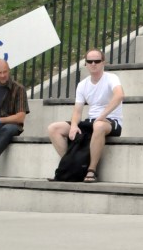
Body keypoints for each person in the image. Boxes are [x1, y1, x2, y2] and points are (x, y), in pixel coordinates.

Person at [47, 49, 124, 184]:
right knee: (54, 128)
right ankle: (71, 165)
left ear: (103, 62)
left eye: (97, 61)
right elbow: (77, 111)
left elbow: (119, 95)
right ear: (86, 64)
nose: (93, 64)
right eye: (90, 61)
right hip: (91, 121)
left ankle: (91, 170)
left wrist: (102, 116)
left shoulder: (111, 78)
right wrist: (74, 125)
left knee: (98, 126)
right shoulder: (82, 84)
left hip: (111, 121)